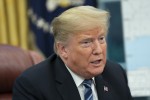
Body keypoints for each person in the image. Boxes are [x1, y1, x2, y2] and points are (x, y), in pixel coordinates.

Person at [13, 6, 133, 100]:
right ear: (63, 49)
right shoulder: (32, 85)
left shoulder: (115, 74)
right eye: (87, 42)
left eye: (101, 39)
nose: (98, 50)